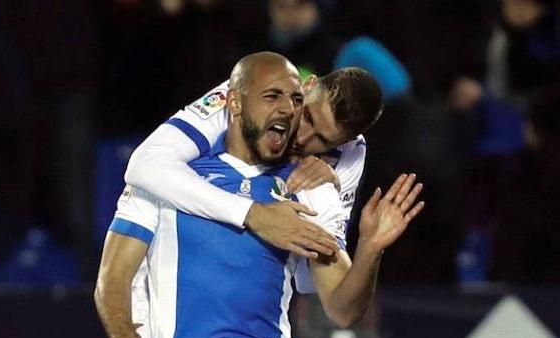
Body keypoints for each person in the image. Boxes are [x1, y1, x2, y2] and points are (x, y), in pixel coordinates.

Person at [95, 52, 424, 338]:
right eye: (300, 112)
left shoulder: (316, 185)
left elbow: (340, 307)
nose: (301, 136)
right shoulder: (171, 174)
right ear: (235, 103)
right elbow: (115, 272)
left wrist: (370, 248)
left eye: (322, 141)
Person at [124, 55, 384, 259]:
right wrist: (251, 214)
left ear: (346, 142)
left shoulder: (351, 154)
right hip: (162, 245)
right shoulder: (248, 94)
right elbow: (143, 165)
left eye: (323, 141)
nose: (303, 138)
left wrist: (328, 194)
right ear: (309, 85)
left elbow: (308, 281)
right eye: (307, 116)